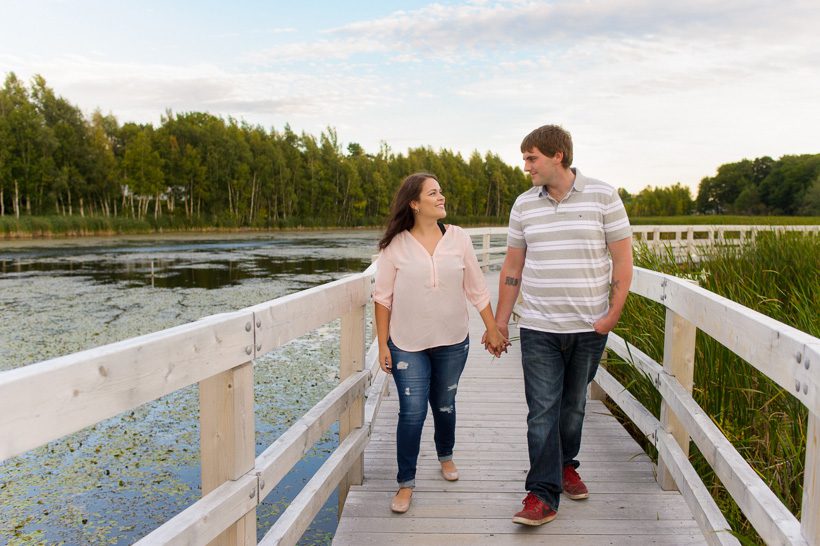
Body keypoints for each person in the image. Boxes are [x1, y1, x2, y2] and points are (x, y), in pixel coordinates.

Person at [486, 125, 633, 526]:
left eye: (532, 158)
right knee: (542, 410)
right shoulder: (523, 205)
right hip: (538, 326)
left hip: (589, 327)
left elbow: (622, 261)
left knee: (573, 407)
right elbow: (512, 268)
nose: (526, 166)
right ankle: (542, 493)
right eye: (525, 159)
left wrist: (612, 315)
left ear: (558, 157)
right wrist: (499, 322)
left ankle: (567, 465)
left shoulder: (603, 195)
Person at [373, 172, 508, 514]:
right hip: (407, 344)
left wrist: (492, 328)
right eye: (433, 193)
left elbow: (477, 288)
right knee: (413, 413)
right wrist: (382, 345)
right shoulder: (395, 246)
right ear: (414, 203)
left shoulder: (459, 239)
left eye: (441, 192)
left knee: (445, 404)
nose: (441, 197)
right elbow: (382, 298)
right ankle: (406, 483)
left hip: (451, 340)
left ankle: (445, 455)